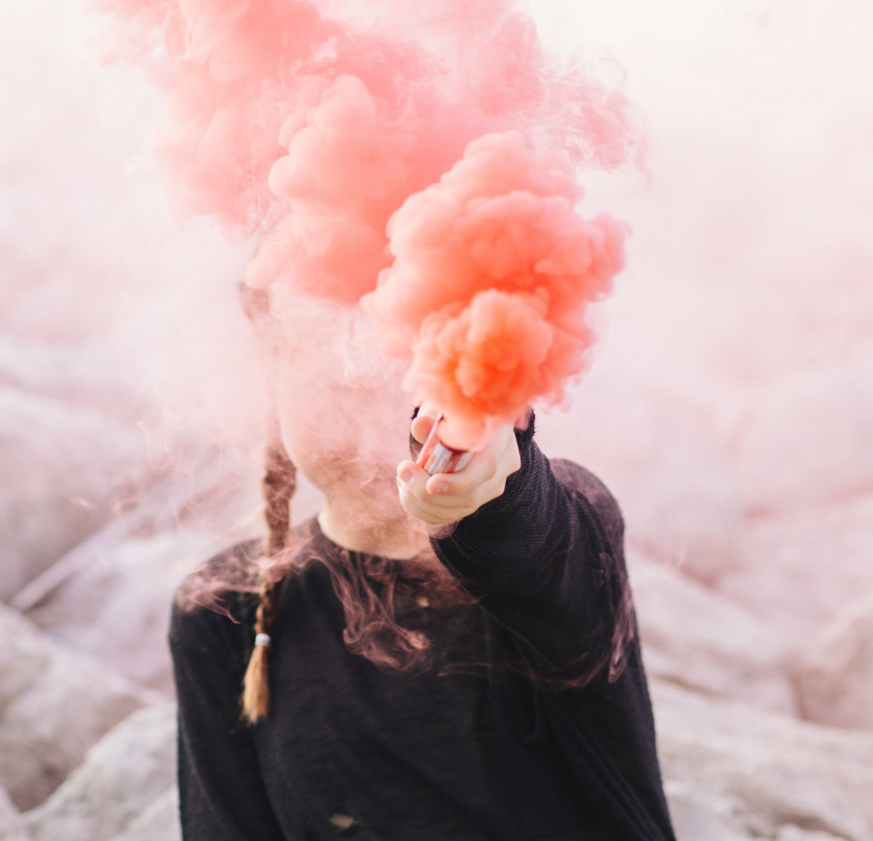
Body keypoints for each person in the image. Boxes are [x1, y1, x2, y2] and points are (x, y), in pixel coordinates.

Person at [169, 299, 676, 840]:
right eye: (335, 392)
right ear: (275, 392)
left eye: (409, 389)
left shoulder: (569, 531)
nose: (374, 438)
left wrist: (498, 474)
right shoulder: (223, 609)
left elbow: (532, 532)